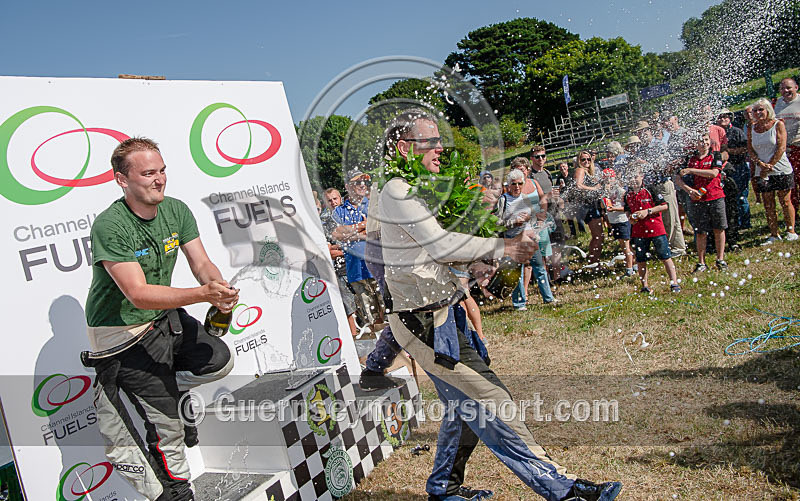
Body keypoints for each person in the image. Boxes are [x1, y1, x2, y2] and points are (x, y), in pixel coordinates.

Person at [374, 108, 622, 501]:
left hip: (442, 313)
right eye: (431, 142)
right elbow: (439, 246)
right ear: (404, 148)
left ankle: (443, 488)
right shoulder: (396, 190)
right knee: (490, 398)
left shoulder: (423, 187)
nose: (441, 148)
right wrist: (503, 246)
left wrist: (479, 251)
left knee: (464, 408)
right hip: (421, 321)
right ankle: (562, 488)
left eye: (441, 140)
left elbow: (437, 250)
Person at [83, 138, 237, 501]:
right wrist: (201, 295)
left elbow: (200, 262)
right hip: (121, 337)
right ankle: (178, 494)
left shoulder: (176, 210)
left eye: (162, 170)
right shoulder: (110, 225)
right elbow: (137, 293)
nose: (160, 179)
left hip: (162, 319)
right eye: (148, 173)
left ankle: (174, 389)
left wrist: (217, 286)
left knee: (219, 360)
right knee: (167, 431)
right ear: (122, 180)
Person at [332, 170, 386, 330]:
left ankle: (405, 353)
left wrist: (351, 232)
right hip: (357, 272)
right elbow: (337, 234)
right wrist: (364, 226)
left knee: (391, 315)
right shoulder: (339, 211)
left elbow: (380, 229)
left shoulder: (373, 205)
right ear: (348, 186)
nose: (363, 185)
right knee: (373, 321)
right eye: (358, 182)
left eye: (365, 182)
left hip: (378, 268)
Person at [496, 167, 556, 309]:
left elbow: (533, 216)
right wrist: (513, 223)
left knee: (539, 268)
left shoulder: (526, 198)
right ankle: (519, 303)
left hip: (529, 238)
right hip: (514, 240)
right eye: (514, 184)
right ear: (508, 185)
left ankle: (548, 298)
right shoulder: (504, 200)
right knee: (517, 273)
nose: (517, 187)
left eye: (520, 183)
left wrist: (530, 218)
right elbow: (497, 223)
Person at [675, 133, 728, 272]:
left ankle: (720, 259)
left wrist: (692, 170)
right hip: (696, 199)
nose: (704, 143)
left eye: (706, 140)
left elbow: (714, 173)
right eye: (701, 140)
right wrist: (689, 190)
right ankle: (701, 262)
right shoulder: (689, 158)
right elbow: (678, 178)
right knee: (700, 231)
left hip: (715, 196)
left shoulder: (715, 155)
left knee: (719, 228)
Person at [747, 98, 798, 242]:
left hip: (780, 168)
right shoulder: (752, 128)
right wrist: (760, 164)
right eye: (755, 110)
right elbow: (750, 149)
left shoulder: (777, 124)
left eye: (761, 109)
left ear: (768, 110)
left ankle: (791, 230)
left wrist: (769, 165)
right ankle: (774, 234)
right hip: (761, 170)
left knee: (785, 201)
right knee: (768, 203)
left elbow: (781, 147)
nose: (758, 113)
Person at [624, 168, 680, 294]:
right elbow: (627, 210)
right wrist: (630, 218)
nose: (634, 180)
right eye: (631, 177)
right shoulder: (628, 195)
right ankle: (644, 286)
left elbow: (664, 205)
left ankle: (674, 283)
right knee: (641, 259)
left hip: (656, 229)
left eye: (636, 176)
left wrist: (647, 211)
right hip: (639, 232)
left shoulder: (650, 189)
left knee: (665, 256)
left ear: (642, 176)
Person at [637, 122, 687, 258]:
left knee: (671, 217)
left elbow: (665, 164)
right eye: (639, 132)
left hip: (663, 184)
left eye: (644, 131)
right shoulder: (640, 150)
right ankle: (674, 246)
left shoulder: (659, 145)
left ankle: (675, 247)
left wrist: (646, 164)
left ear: (650, 131)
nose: (642, 135)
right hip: (651, 187)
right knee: (663, 218)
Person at [320, 188, 359, 337]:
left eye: (335, 199)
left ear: (340, 198)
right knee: (348, 304)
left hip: (358, 265)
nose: (333, 202)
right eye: (329, 200)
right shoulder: (323, 222)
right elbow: (328, 251)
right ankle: (355, 338)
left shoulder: (350, 213)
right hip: (340, 269)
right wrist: (348, 249)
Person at [717, 109, 751, 230]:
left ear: (730, 118)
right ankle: (734, 223)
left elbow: (745, 148)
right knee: (729, 198)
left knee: (741, 196)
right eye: (720, 117)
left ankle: (745, 223)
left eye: (725, 117)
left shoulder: (736, 131)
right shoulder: (717, 133)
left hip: (738, 166)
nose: (723, 119)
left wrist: (728, 152)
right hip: (725, 168)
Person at [573, 150, 606, 265]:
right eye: (583, 159)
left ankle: (594, 260)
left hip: (593, 205)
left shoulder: (589, 172)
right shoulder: (580, 170)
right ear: (579, 161)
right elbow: (578, 185)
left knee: (599, 235)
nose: (586, 161)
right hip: (587, 207)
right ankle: (593, 261)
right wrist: (595, 188)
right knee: (598, 235)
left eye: (588, 159)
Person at [774, 77, 800, 215]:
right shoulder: (777, 104)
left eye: (789, 88)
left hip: (799, 146)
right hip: (785, 149)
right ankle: (794, 213)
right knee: (791, 184)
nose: (786, 91)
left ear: (796, 87)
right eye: (783, 88)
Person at [602, 169, 635, 276]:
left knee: (626, 246)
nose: (608, 181)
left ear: (614, 178)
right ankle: (634, 264)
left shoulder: (620, 191)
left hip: (622, 220)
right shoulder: (605, 192)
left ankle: (629, 268)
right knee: (623, 245)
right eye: (605, 179)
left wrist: (615, 209)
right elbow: (603, 207)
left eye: (610, 178)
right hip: (613, 221)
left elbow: (628, 207)